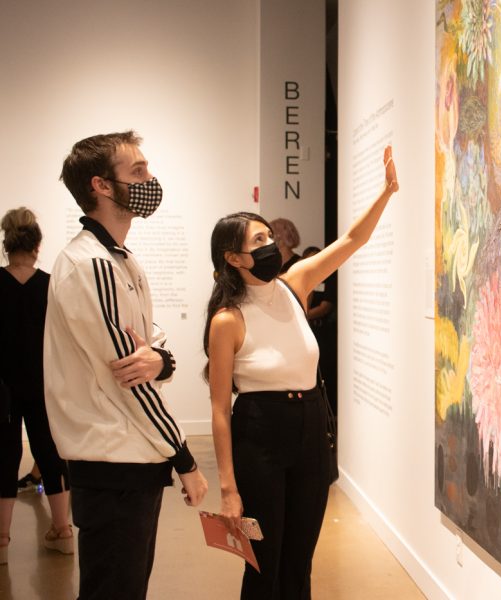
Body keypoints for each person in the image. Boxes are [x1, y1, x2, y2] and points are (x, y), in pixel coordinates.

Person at [204, 145, 399, 599]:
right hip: (260, 437)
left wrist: (386, 192)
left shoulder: (295, 285)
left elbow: (352, 240)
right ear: (233, 258)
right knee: (263, 564)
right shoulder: (228, 319)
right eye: (257, 241)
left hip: (311, 429)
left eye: (268, 235)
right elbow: (218, 408)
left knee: (299, 562)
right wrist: (228, 488)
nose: (269, 245)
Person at [45, 131, 208, 600]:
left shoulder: (123, 261)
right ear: (100, 185)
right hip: (113, 461)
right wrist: (185, 459)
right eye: (137, 171)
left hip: (128, 459)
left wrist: (161, 358)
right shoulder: (91, 264)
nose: (149, 179)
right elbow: (129, 377)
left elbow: (152, 346)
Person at [0, 207, 73, 565]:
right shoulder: (50, 286)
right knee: (51, 454)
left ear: (5, 242)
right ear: (38, 244)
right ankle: (63, 532)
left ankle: (1, 541)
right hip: (44, 386)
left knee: (3, 457)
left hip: (2, 389)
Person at [299, 246, 338, 416]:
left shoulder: (330, 278)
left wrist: (303, 316)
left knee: (325, 371)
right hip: (305, 333)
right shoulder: (301, 279)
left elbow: (325, 307)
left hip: (323, 333)